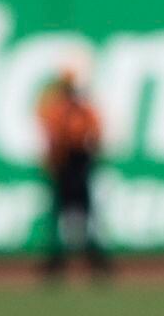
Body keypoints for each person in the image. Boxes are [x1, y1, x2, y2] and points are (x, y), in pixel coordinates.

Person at [36, 60, 112, 283]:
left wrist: (91, 156)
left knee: (85, 215)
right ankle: (59, 263)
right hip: (65, 164)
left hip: (78, 162)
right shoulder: (58, 108)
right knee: (63, 216)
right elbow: (52, 136)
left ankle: (93, 262)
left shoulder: (78, 108)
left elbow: (94, 132)